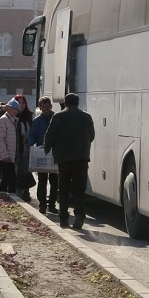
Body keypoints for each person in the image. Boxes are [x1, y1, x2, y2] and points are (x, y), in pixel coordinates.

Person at [43, 93, 95, 229]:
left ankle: (64, 219)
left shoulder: (58, 117)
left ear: (65, 103)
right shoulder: (86, 117)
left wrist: (46, 148)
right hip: (82, 159)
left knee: (64, 189)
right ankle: (79, 215)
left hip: (64, 159)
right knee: (79, 189)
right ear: (78, 103)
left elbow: (50, 135)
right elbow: (92, 135)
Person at [27, 96, 59, 214]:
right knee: (42, 181)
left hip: (54, 153)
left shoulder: (57, 118)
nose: (45, 109)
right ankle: (42, 205)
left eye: (47, 106)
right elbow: (32, 135)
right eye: (43, 107)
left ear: (51, 106)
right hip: (42, 153)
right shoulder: (37, 121)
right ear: (40, 107)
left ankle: (52, 204)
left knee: (54, 182)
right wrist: (30, 146)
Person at [0, 98, 21, 193]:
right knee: (6, 179)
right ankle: (4, 197)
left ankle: (9, 196)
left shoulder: (14, 120)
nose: (15, 111)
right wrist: (5, 155)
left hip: (12, 155)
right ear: (8, 109)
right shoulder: (3, 120)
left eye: (16, 109)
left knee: (11, 179)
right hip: (6, 156)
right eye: (13, 109)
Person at [13, 94, 36, 202]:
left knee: (26, 171)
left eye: (23, 103)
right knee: (17, 172)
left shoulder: (29, 116)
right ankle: (18, 192)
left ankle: (25, 192)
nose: (21, 105)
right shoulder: (13, 117)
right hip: (16, 149)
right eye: (19, 103)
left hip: (27, 149)